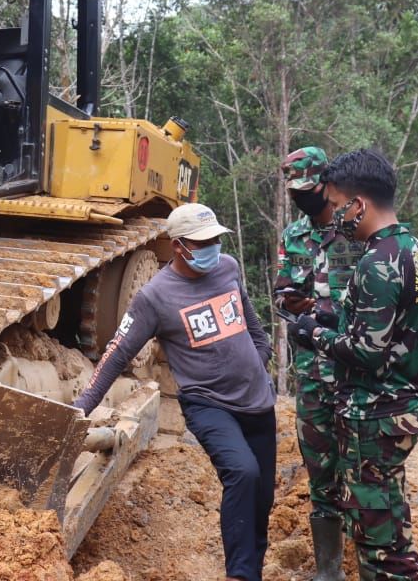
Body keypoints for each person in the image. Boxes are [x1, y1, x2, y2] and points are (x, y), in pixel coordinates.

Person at [74, 203, 276, 581]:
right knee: (243, 473)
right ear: (178, 246)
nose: (212, 247)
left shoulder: (228, 268)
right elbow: (117, 353)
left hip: (257, 400)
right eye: (203, 242)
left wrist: (256, 365)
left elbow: (255, 330)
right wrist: (83, 405)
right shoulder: (155, 297)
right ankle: (240, 575)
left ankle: (254, 572)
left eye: (215, 239)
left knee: (262, 500)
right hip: (208, 403)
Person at [289, 149, 418, 581]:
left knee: (379, 549)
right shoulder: (413, 250)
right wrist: (335, 320)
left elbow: (369, 352)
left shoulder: (377, 263)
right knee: (391, 529)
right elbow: (395, 329)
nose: (333, 216)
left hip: (375, 415)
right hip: (400, 408)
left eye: (337, 207)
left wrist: (314, 335)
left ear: (359, 205)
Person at [274, 147, 363, 581]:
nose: (300, 198)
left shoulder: (358, 232)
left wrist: (318, 309)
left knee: (365, 476)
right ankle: (330, 572)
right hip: (312, 376)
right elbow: (283, 297)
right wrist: (308, 309)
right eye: (294, 191)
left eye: (306, 190)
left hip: (357, 375)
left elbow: (371, 306)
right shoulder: (293, 235)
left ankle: (375, 565)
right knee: (320, 473)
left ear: (325, 184)